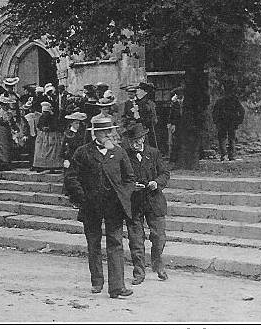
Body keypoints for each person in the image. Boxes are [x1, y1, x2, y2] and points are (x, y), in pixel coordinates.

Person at [64, 114, 139, 299]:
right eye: (102, 132)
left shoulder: (119, 152)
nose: (106, 135)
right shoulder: (83, 152)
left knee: (116, 243)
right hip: (91, 206)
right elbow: (71, 177)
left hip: (114, 206)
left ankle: (117, 287)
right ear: (94, 134)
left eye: (109, 131)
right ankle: (97, 282)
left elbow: (130, 178)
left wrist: (124, 194)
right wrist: (83, 197)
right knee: (94, 244)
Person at [121, 123, 170, 283]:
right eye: (132, 140)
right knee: (135, 239)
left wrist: (156, 182)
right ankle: (139, 272)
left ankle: (158, 264)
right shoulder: (124, 156)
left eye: (138, 139)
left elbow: (164, 173)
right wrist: (131, 187)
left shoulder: (153, 153)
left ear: (143, 138)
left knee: (159, 237)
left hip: (154, 201)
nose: (135, 143)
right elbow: (119, 179)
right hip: (134, 203)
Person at [212, 88, 245, 161]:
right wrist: (239, 120)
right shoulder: (234, 100)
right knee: (231, 138)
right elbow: (242, 111)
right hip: (231, 122)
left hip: (223, 122)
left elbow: (214, 112)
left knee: (223, 138)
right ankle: (231, 155)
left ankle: (224, 155)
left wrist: (216, 121)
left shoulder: (220, 101)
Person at [0, 95, 18, 170]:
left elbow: (12, 122)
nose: (5, 106)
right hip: (0, 130)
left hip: (7, 130)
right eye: (4, 104)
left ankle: (5, 162)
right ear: (1, 105)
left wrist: (15, 129)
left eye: (6, 104)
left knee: (7, 145)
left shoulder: (9, 113)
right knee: (1, 145)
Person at [33, 101, 64, 171]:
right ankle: (41, 165)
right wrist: (42, 128)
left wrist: (50, 128)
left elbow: (56, 125)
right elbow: (39, 125)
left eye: (46, 112)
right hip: (43, 136)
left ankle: (52, 166)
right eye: (44, 112)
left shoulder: (53, 117)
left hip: (51, 135)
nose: (45, 114)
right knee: (41, 151)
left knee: (52, 151)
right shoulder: (41, 118)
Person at [133, 83, 159, 149]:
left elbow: (153, 118)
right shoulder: (139, 102)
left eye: (139, 90)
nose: (137, 92)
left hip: (145, 127)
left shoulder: (146, 103)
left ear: (145, 92)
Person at [167, 88, 184, 163]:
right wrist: (172, 123)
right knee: (175, 141)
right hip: (177, 124)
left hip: (184, 124)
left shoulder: (185, 102)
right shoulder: (174, 103)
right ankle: (174, 159)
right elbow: (172, 115)